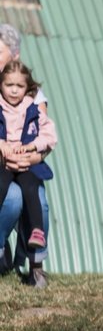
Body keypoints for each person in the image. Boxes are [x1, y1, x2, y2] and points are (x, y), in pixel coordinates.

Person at [0, 24, 49, 288]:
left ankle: (36, 265)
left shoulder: (31, 93)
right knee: (12, 198)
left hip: (26, 162)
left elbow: (44, 133)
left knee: (38, 199)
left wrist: (31, 158)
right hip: (2, 164)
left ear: (14, 56)